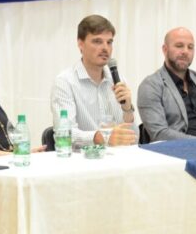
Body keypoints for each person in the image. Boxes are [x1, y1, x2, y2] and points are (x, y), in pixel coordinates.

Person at [51, 14, 137, 147]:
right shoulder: (65, 82)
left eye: (109, 42)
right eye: (97, 41)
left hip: (117, 160)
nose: (105, 48)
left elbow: (133, 138)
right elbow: (64, 134)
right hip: (82, 162)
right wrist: (100, 137)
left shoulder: (118, 81)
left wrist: (127, 109)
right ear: (80, 44)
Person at [137, 27, 196, 142]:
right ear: (165, 49)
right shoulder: (150, 85)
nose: (185, 51)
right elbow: (159, 133)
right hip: (179, 154)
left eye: (190, 47)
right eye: (179, 46)